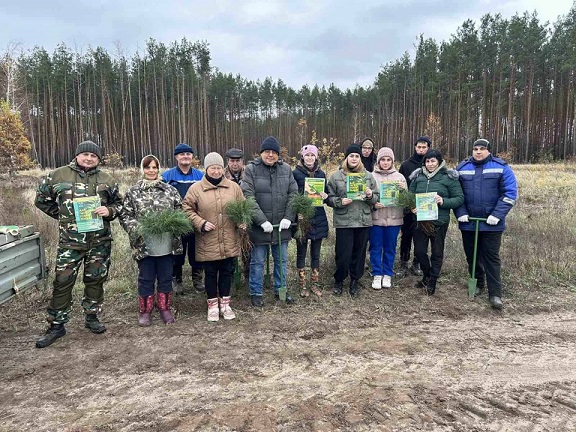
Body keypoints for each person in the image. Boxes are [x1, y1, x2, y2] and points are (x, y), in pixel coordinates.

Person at [34, 141, 122, 348]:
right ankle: (57, 324)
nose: (89, 158)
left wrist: (109, 212)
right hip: (70, 243)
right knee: (63, 281)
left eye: (94, 156)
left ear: (99, 159)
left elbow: (119, 203)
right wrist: (64, 217)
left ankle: (92, 317)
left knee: (95, 279)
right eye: (85, 155)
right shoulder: (58, 175)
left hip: (99, 241)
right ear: (77, 156)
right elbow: (41, 200)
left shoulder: (107, 179)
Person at [454, 139, 518, 309]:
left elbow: (510, 193)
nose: (478, 152)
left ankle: (495, 293)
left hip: (492, 224)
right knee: (472, 256)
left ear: (488, 151)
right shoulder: (462, 168)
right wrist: (461, 213)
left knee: (491, 257)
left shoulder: (501, 167)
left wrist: (497, 215)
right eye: (475, 149)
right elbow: (455, 192)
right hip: (469, 223)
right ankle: (478, 285)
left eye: (482, 149)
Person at [119, 155, 182, 326]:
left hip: (167, 244)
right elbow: (125, 215)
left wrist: (175, 224)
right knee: (146, 277)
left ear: (158, 169)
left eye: (154, 167)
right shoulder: (133, 191)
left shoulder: (169, 190)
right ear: (142, 169)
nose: (151, 171)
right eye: (148, 167)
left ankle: (164, 307)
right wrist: (137, 228)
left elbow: (180, 211)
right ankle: (145, 311)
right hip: (143, 244)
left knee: (165, 277)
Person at [183, 152, 245, 321]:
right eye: (212, 168)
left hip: (229, 237)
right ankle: (212, 306)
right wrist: (201, 223)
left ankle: (225, 304)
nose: (216, 172)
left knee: (226, 271)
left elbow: (242, 207)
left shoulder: (233, 188)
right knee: (210, 273)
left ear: (222, 168)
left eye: (218, 168)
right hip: (207, 240)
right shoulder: (196, 189)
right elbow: (186, 209)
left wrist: (242, 220)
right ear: (206, 169)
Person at [241, 136, 298, 307]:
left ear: (278, 154)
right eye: (267, 152)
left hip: (281, 227)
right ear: (261, 153)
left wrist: (289, 216)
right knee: (257, 261)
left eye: (274, 152)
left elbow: (293, 194)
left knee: (281, 260)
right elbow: (248, 197)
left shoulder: (286, 169)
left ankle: (281, 289)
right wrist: (261, 220)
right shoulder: (251, 169)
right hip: (260, 228)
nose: (270, 155)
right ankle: (256, 292)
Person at [326, 144, 379, 297]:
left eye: (357, 156)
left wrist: (370, 196)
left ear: (360, 159)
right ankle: (339, 280)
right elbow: (329, 198)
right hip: (344, 221)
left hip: (363, 221)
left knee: (359, 253)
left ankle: (355, 280)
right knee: (343, 254)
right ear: (346, 158)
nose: (354, 159)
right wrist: (339, 202)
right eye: (351, 156)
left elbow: (376, 199)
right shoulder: (336, 177)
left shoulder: (368, 176)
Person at [409, 149, 464, 295]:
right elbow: (410, 195)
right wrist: (412, 206)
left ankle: (433, 280)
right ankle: (427, 274)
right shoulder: (418, 176)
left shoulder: (448, 177)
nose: (430, 164)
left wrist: (443, 201)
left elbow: (459, 198)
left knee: (437, 252)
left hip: (439, 221)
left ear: (439, 162)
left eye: (433, 161)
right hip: (421, 220)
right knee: (420, 251)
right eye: (427, 161)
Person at [162, 143, 205, 294]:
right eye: (182, 154)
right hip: (176, 223)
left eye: (188, 154)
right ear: (176, 157)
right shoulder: (167, 176)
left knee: (196, 251)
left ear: (192, 157)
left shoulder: (200, 176)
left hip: (195, 221)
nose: (185, 156)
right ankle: (177, 280)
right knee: (177, 252)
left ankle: (197, 279)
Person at [292, 144, 329, 297]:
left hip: (318, 218)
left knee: (316, 254)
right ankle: (302, 285)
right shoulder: (295, 174)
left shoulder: (321, 174)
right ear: (302, 157)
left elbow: (326, 192)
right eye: (307, 155)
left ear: (316, 157)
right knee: (301, 253)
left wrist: (325, 196)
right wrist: (297, 212)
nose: (309, 158)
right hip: (302, 219)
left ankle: (314, 283)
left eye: (312, 155)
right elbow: (292, 196)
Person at [369, 147, 407, 289]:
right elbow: (367, 198)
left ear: (392, 161)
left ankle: (388, 274)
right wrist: (374, 204)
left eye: (388, 160)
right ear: (378, 161)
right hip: (376, 218)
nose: (385, 162)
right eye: (382, 160)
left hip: (394, 218)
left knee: (390, 247)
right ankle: (377, 273)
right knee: (375, 247)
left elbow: (406, 201)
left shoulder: (399, 177)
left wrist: (403, 190)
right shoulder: (371, 176)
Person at [398, 136, 432, 277]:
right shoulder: (406, 165)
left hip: (425, 207)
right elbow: (400, 186)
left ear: (428, 148)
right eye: (419, 147)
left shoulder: (431, 163)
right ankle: (403, 262)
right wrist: (408, 204)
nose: (421, 149)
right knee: (406, 235)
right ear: (415, 147)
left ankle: (417, 263)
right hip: (408, 208)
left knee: (422, 236)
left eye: (424, 147)